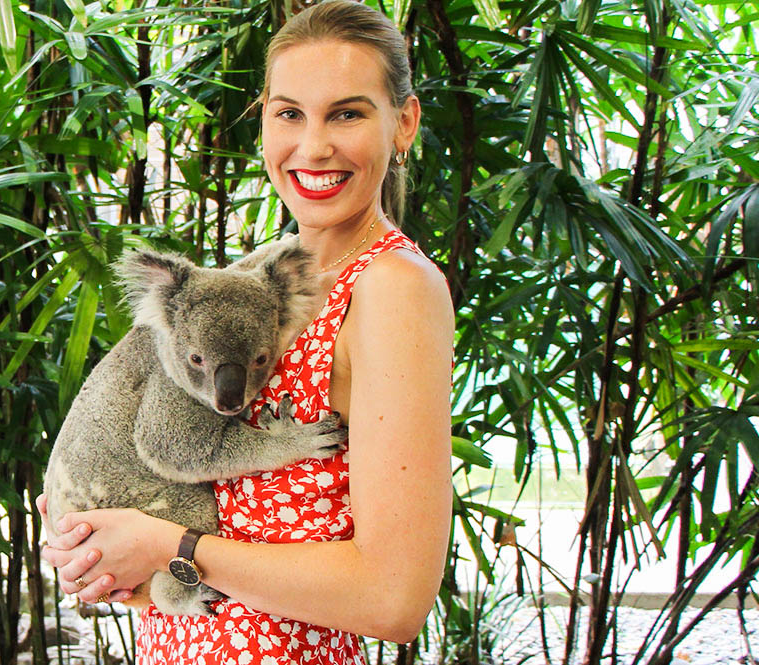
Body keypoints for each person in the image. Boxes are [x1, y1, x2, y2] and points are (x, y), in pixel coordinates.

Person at [37, 0, 454, 661]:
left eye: (347, 113)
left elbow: (394, 598)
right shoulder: (263, 279)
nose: (314, 145)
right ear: (262, 117)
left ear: (404, 123)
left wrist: (169, 547)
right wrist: (100, 545)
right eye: (290, 113)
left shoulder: (391, 288)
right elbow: (224, 528)